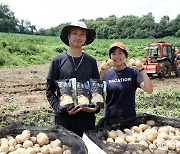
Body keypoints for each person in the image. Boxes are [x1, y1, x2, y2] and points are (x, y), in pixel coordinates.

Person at [46, 21, 100, 137]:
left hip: (86, 119)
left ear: (86, 38)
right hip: (64, 119)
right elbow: (50, 91)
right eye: (74, 33)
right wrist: (60, 109)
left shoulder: (91, 61)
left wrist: (95, 108)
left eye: (82, 34)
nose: (78, 37)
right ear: (68, 36)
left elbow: (96, 90)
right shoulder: (57, 61)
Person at [102, 42, 153, 119]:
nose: (117, 56)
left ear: (125, 55)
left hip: (129, 118)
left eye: (120, 53)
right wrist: (100, 74)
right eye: (113, 54)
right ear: (110, 57)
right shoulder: (106, 73)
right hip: (110, 118)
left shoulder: (133, 72)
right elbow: (97, 94)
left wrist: (142, 71)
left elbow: (149, 90)